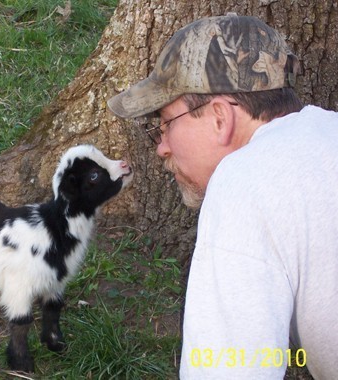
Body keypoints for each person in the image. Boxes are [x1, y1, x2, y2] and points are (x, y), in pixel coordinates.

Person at [107, 13, 338, 380]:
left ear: (219, 118)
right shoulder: (328, 132)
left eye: (166, 124)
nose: (162, 148)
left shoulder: (244, 181)